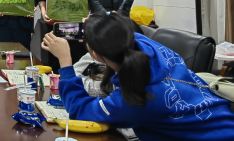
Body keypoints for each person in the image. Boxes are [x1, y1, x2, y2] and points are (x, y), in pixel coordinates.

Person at [41, 12, 234, 141]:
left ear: (96, 56)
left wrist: (65, 61)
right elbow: (124, 31)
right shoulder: (152, 47)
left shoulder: (133, 99)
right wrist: (101, 26)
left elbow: (79, 110)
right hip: (223, 122)